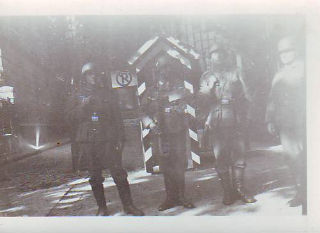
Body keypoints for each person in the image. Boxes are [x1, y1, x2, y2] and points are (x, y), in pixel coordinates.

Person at [65, 62, 144, 216]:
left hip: (108, 139)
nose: (94, 76)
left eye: (96, 73)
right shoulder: (76, 96)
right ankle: (102, 208)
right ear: (84, 77)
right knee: (94, 176)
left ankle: (128, 206)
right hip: (88, 141)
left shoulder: (107, 94)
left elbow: (117, 117)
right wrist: (83, 105)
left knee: (118, 173)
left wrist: (121, 138)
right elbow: (69, 118)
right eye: (90, 74)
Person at [198, 42, 257, 205]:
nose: (218, 57)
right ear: (210, 58)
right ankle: (228, 191)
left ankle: (240, 189)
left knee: (239, 155)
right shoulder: (206, 76)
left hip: (237, 117)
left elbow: (247, 95)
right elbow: (201, 101)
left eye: (221, 53)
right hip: (217, 120)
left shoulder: (236, 72)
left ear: (225, 56)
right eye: (214, 54)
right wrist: (209, 88)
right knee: (221, 157)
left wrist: (248, 115)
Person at [141, 54, 195, 211]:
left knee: (179, 165)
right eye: (162, 68)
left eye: (167, 67)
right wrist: (150, 123)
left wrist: (179, 107)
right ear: (157, 71)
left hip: (176, 131)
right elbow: (141, 111)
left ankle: (182, 196)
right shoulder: (151, 92)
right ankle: (170, 198)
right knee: (165, 166)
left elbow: (187, 99)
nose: (165, 71)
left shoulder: (178, 87)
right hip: (160, 134)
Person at [265, 36, 306, 209]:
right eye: (281, 52)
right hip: (286, 124)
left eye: (288, 51)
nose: (285, 55)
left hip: (305, 121)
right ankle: (301, 193)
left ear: (295, 51)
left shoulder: (306, 68)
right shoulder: (279, 74)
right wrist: (269, 119)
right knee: (292, 159)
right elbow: (272, 98)